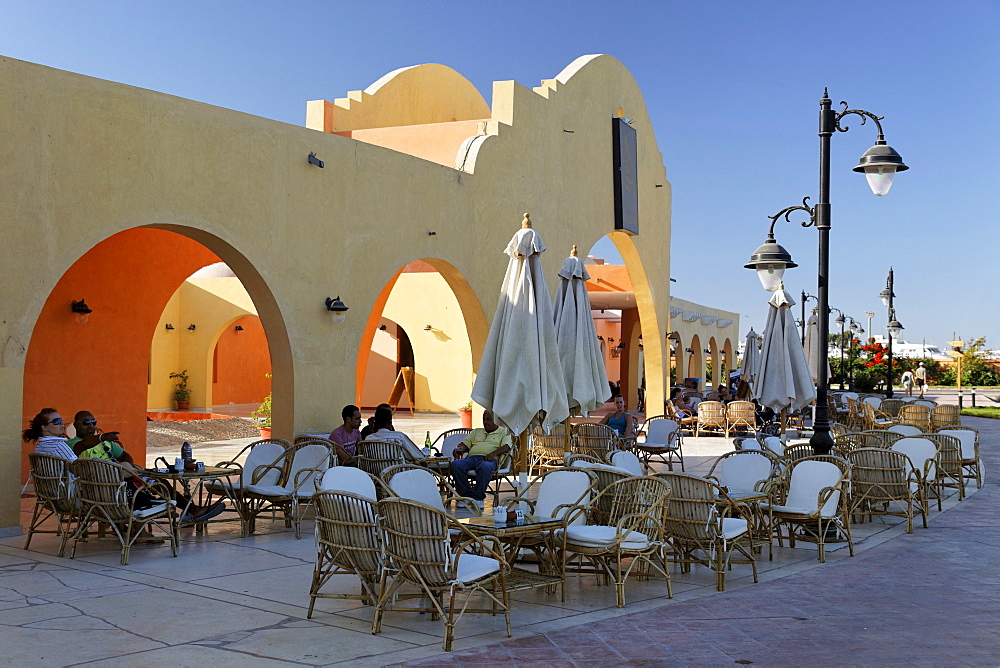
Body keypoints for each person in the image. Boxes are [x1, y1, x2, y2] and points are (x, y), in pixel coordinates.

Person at [449, 410, 512, 509]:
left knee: (485, 466)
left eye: (489, 419)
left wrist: (493, 454)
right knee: (456, 464)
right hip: (472, 458)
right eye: (484, 419)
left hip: (489, 459)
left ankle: (478, 498)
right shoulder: (476, 432)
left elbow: (507, 447)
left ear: (495, 420)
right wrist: (460, 449)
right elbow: (466, 444)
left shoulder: (503, 432)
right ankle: (466, 496)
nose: (485, 422)